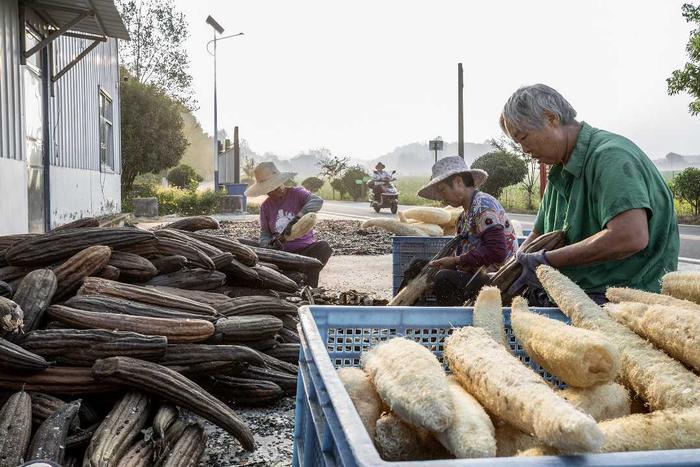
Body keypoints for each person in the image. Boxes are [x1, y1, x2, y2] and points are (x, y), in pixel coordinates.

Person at [500, 84, 679, 302]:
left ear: (551, 118)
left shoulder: (610, 157)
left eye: (523, 138)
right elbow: (538, 235)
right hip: (576, 294)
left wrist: (545, 261)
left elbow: (630, 237)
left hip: (623, 299)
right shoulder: (560, 171)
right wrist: (511, 268)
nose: (523, 150)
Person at [415, 156, 519, 306]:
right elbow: (465, 253)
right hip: (476, 273)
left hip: (499, 278)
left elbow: (497, 252)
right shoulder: (463, 217)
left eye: (443, 191)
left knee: (444, 279)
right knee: (421, 266)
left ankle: (454, 326)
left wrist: (455, 261)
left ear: (458, 182)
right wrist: (449, 263)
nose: (443, 198)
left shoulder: (483, 205)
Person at [244, 161, 332, 287]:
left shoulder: (297, 193)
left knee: (323, 247)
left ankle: (308, 283)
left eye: (277, 186)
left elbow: (317, 201)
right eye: (271, 189)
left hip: (305, 251)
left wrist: (298, 217)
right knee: (245, 246)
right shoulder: (265, 207)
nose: (276, 190)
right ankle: (293, 277)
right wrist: (268, 246)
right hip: (282, 255)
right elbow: (265, 233)